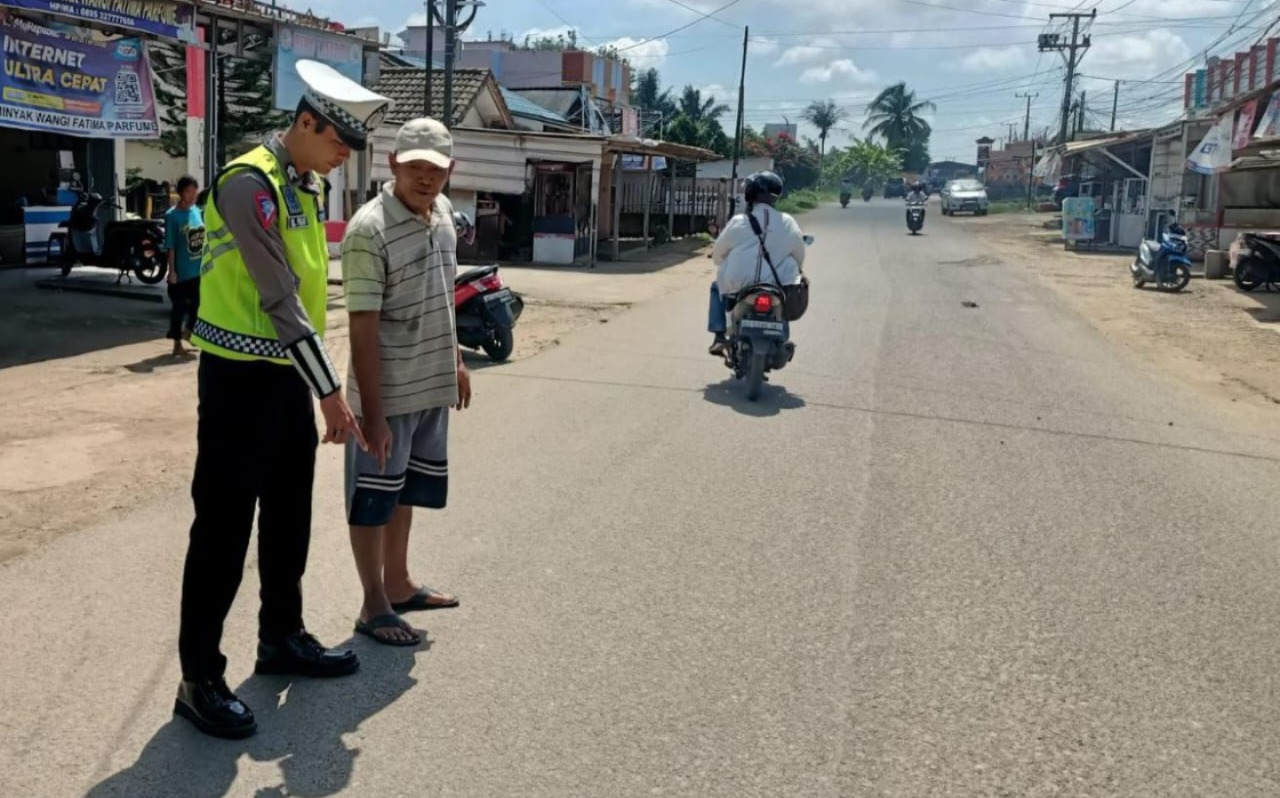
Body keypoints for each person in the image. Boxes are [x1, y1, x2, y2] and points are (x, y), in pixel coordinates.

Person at [175, 59, 391, 740]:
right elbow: (278, 299)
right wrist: (332, 391)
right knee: (223, 528)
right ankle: (199, 677)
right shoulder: (248, 184)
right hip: (238, 379)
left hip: (286, 381)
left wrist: (314, 384)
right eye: (335, 144)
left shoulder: (304, 185)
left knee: (289, 515)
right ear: (305, 122)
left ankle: (282, 636)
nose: (340, 159)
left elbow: (311, 288)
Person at [340, 118, 469, 647]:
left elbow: (445, 295)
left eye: (435, 168)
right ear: (391, 164)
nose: (425, 177)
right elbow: (361, 327)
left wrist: (456, 360)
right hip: (386, 393)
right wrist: (372, 412)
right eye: (414, 165)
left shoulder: (442, 215)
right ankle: (373, 604)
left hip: (430, 382)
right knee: (372, 497)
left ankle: (398, 581)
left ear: (450, 171)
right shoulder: (367, 230)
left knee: (404, 491)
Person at [707, 171, 806, 356]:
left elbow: (718, 255)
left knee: (715, 287)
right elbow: (799, 256)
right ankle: (783, 338)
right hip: (775, 286)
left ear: (749, 194)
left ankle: (719, 336)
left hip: (738, 284)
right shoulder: (788, 222)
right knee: (786, 298)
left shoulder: (738, 222)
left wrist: (724, 260)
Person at [164, 175, 204, 357]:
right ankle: (176, 343)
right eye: (189, 191)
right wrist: (171, 271)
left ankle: (188, 332)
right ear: (181, 193)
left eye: (195, 190)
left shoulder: (197, 211)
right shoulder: (172, 216)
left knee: (200, 304)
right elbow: (170, 245)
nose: (193, 194)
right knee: (178, 308)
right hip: (181, 271)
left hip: (198, 269)